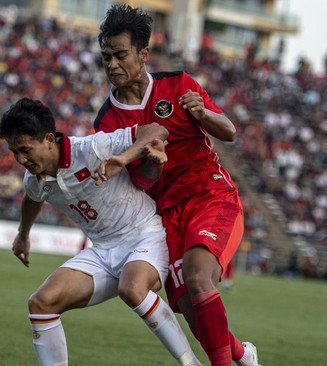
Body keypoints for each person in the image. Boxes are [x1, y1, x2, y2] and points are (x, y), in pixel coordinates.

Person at [93, 4, 260, 366]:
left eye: (120, 55)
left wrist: (203, 113)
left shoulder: (178, 85)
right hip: (167, 214)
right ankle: (243, 355)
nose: (112, 65)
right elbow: (136, 181)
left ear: (143, 54)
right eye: (106, 57)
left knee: (200, 279)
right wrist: (152, 167)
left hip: (210, 196)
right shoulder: (107, 122)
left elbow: (228, 131)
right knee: (192, 311)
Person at [0, 98, 201, 366]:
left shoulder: (93, 148)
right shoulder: (35, 180)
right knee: (41, 303)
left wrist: (125, 157)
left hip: (145, 235)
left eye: (25, 149)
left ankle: (191, 363)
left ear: (49, 139)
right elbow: (32, 198)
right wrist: (23, 235)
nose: (21, 159)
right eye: (14, 152)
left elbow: (156, 130)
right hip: (103, 251)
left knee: (133, 289)